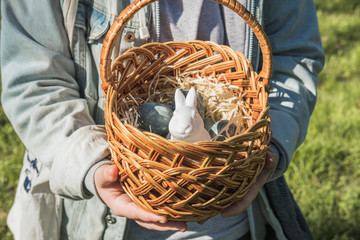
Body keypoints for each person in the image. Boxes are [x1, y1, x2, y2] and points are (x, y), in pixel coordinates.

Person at [1, 0, 324, 239]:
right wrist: (92, 164)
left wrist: (269, 146)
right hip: (96, 222)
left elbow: (293, 55)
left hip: (235, 215)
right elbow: (35, 79)